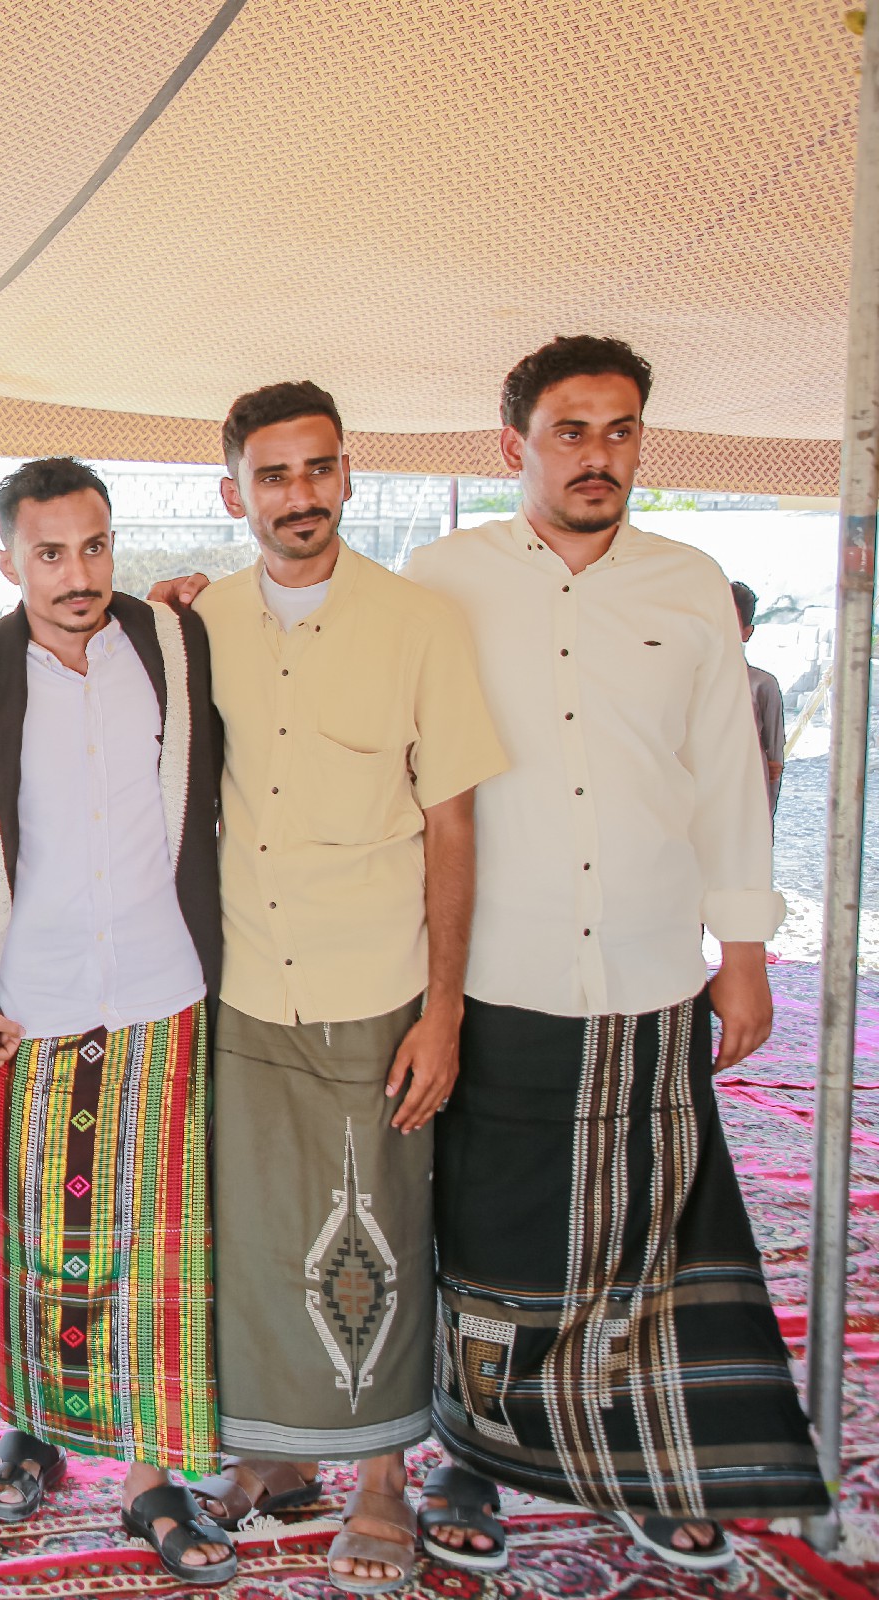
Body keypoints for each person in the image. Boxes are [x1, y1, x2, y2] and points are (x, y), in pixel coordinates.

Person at [403, 335, 828, 1573]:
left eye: (620, 430)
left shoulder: (688, 584)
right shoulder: (441, 579)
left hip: (650, 965)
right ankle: (473, 1456)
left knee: (647, 1228)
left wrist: (742, 947)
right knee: (486, 1223)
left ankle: (641, 1461)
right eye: (572, 431)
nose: (599, 455)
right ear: (514, 445)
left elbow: (726, 778)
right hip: (495, 967)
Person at [154, 382, 508, 1594]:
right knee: (256, 1233)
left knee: (380, 1231)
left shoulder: (419, 624)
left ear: (348, 475)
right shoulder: (202, 623)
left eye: (318, 469)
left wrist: (444, 1012)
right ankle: (271, 1457)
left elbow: (453, 825)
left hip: (376, 987)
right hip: (245, 980)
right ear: (234, 494)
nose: (299, 495)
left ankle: (381, 1480)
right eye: (274, 475)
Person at [0, 459, 235, 1585]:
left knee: (160, 1247)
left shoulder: (176, 643)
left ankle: (152, 1476)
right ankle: (34, 1429)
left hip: (162, 985)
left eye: (94, 546)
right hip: (34, 998)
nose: (77, 574)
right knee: (36, 1235)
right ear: (7, 561)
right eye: (49, 553)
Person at [734, 581, 786, 814]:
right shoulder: (687, 683)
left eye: (730, 621)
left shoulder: (762, 686)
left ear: (747, 632)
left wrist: (763, 825)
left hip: (743, 806)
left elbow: (774, 766)